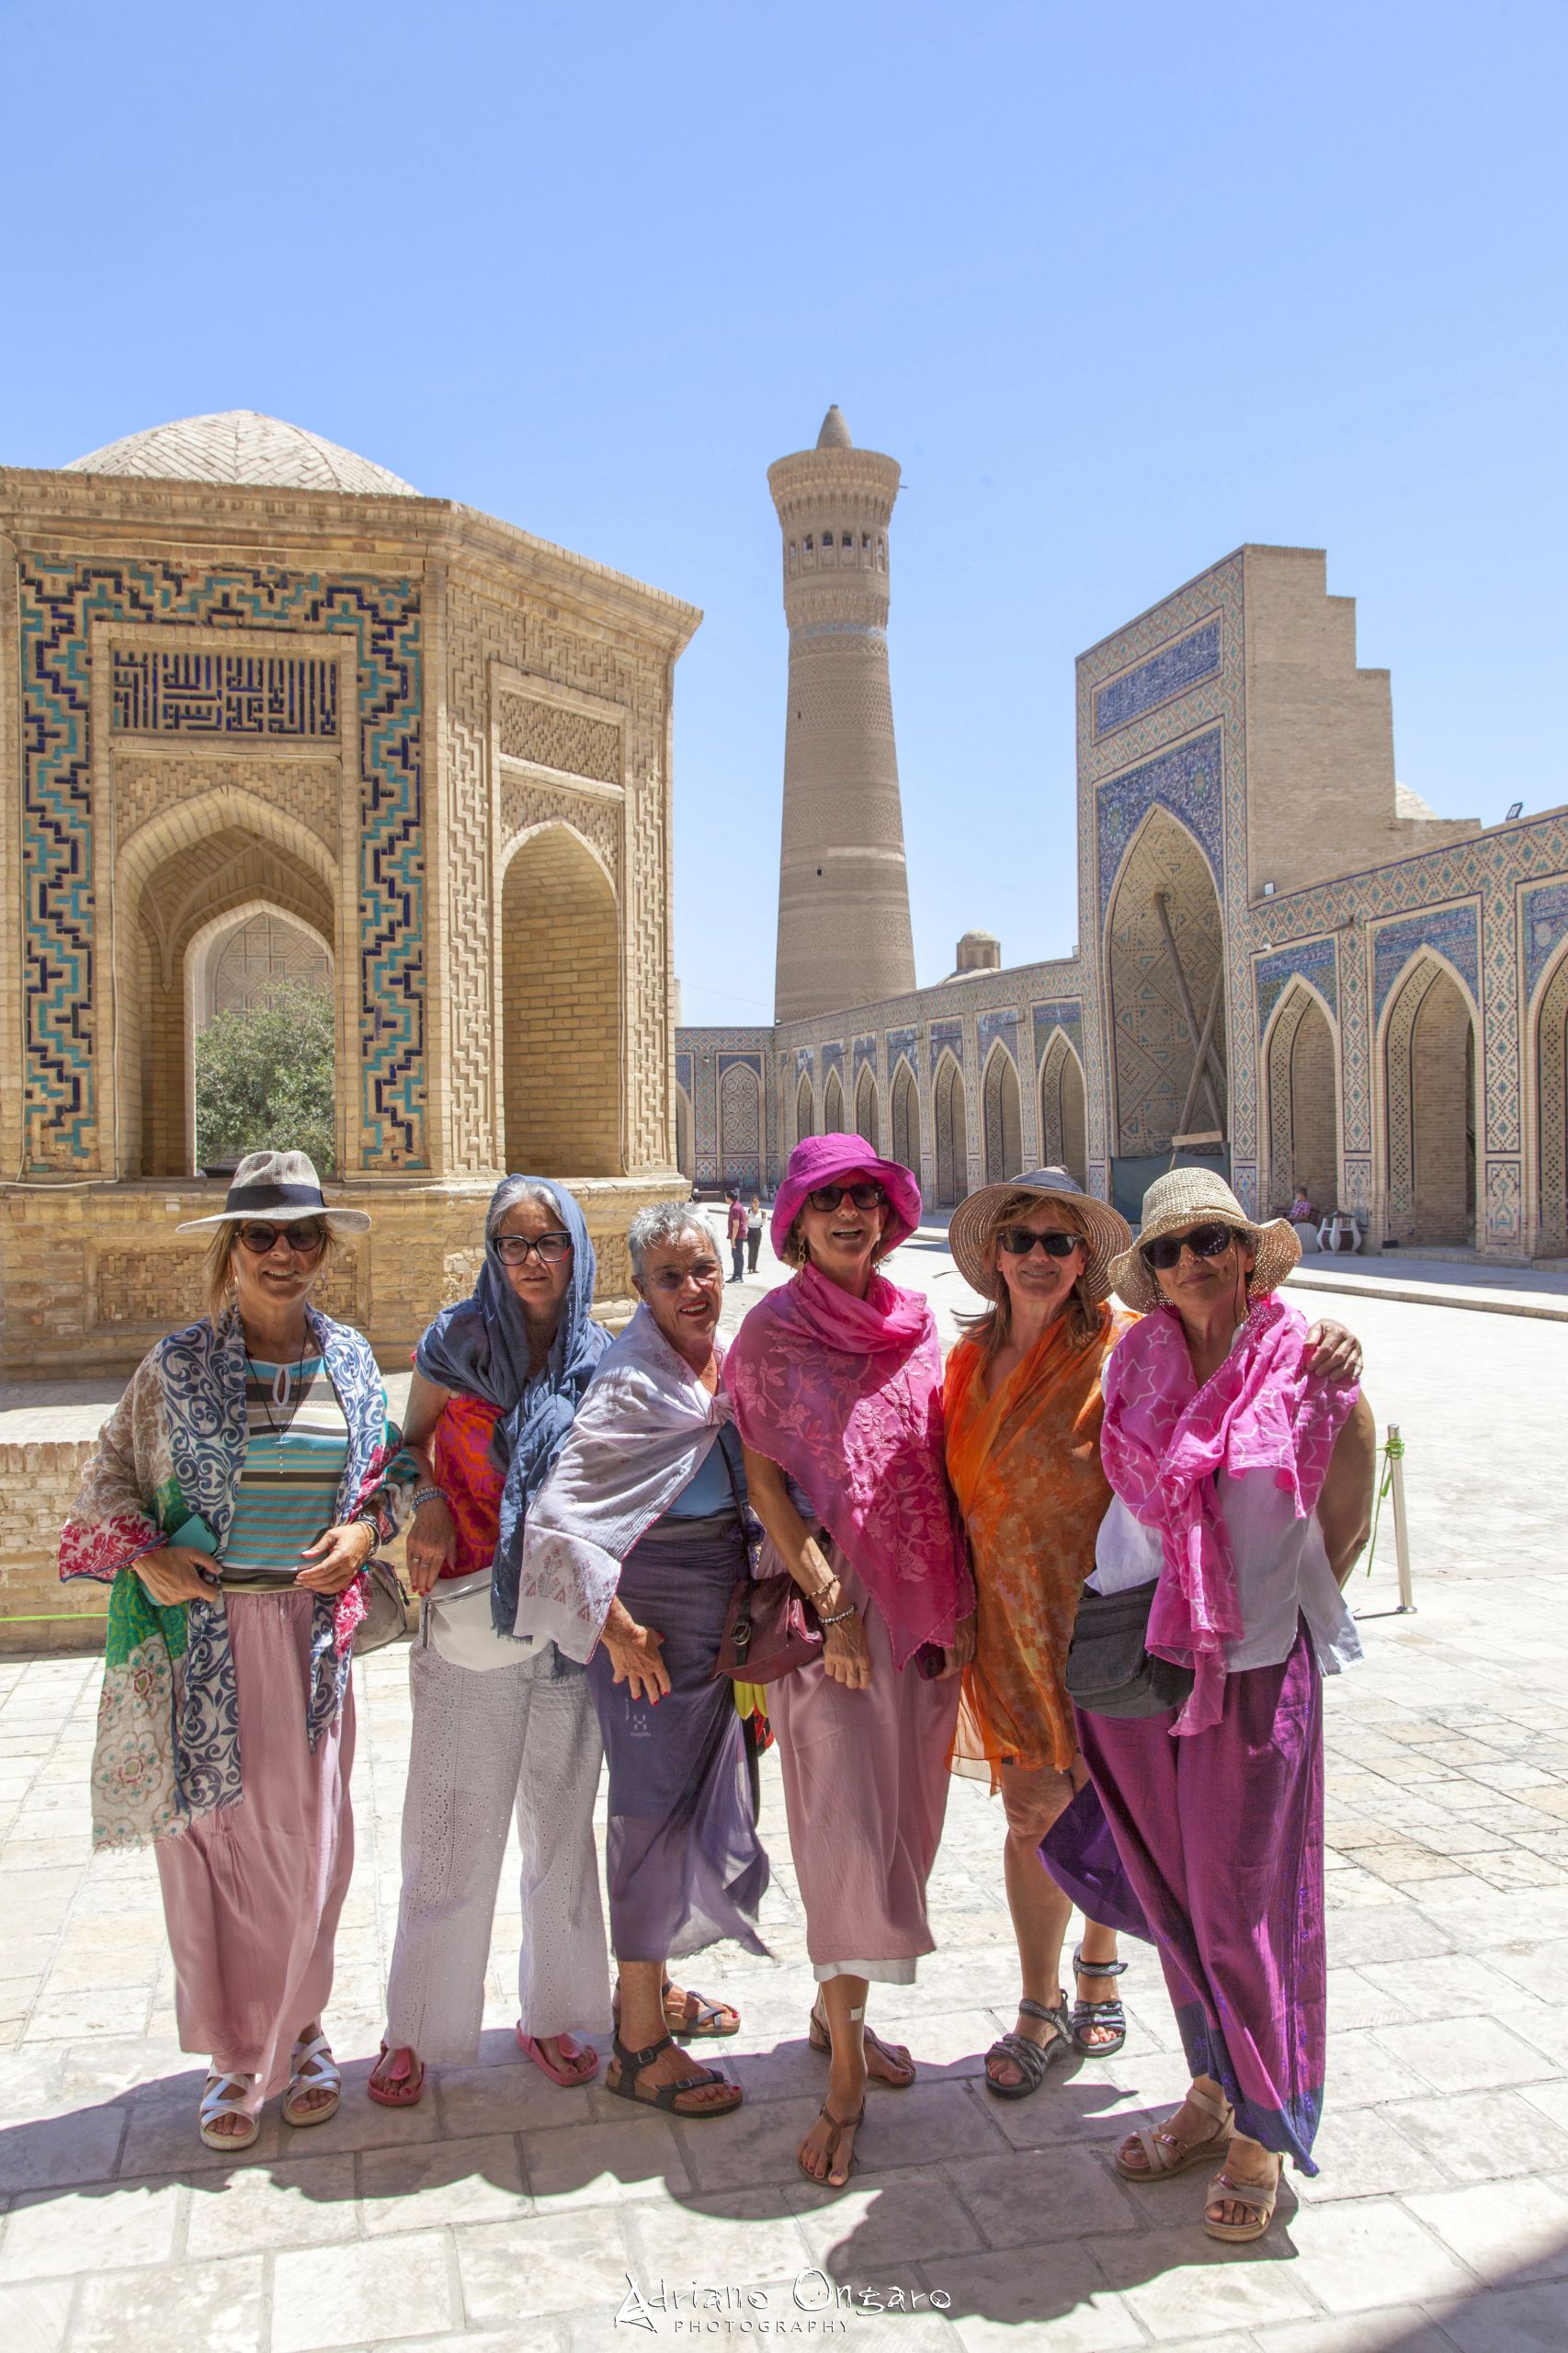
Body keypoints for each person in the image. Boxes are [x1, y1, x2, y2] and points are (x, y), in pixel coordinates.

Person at [59, 1151, 411, 2152]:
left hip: (309, 1643)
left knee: (309, 1846)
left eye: (302, 1235)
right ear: (231, 1249)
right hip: (203, 1642)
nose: (282, 1253)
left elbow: (393, 1475)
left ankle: (300, 2030)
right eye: (261, 1235)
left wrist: (365, 1533)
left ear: (324, 1249)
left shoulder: (350, 1360)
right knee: (210, 1853)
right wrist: (147, 1555)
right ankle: (230, 2051)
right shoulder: (177, 1366)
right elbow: (106, 1478)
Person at [1074, 1170, 1374, 2243]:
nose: (1191, 1262)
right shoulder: (1132, 1366)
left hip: (1249, 1673)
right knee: (1176, 1901)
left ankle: (1261, 2128)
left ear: (1245, 1254)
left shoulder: (1308, 1365)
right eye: (1168, 1250)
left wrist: (1257, 1612)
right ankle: (1210, 2089)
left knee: (1245, 1905)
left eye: (1210, 1240)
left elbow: (1344, 1515)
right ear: (1150, 1275)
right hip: (1139, 1669)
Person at [725, 1133, 975, 2190]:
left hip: (921, 1609)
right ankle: (842, 2085)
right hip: (831, 1612)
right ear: (793, 1221)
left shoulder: (915, 1324)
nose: (849, 1216)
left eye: (865, 1199)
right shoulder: (771, 1334)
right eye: (828, 1200)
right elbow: (766, 1486)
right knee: (842, 1837)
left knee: (905, 1829)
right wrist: (830, 1605)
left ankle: (844, 2016)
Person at [514, 1201, 769, 2119]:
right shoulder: (631, 1382)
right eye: (670, 1277)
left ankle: (652, 1990)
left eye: (703, 1269)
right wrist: (614, 1625)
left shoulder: (719, 1360)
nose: (693, 1288)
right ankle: (637, 2045)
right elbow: (558, 1518)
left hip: (715, 1612)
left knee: (688, 1802)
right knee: (650, 1814)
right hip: (651, 1624)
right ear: (638, 1289)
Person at [371, 1176, 612, 2106]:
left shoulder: (601, 1359)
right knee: (449, 1828)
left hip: (568, 1626)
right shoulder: (457, 1342)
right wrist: (429, 1499)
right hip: (472, 1614)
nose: (533, 1260)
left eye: (550, 1241)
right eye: (514, 1243)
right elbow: (405, 1446)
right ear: (491, 1252)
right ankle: (417, 2026)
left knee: (560, 1829)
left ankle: (550, 2012)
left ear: (577, 1248)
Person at [942, 1168, 1139, 2096]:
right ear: (994, 1255)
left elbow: (1226, 1359)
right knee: (1031, 1813)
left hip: (1100, 1626)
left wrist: (1313, 1342)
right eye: (1020, 1240)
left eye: (1059, 1243)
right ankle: (1038, 2000)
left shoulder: (1125, 1350)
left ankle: (1099, 1962)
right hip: (1004, 1630)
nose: (1037, 1257)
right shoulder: (964, 1363)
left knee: (1107, 1805)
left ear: (1083, 1259)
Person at [726, 1188, 748, 1283]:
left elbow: (736, 1225)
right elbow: (746, 1217)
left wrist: (733, 1239)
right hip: (739, 1234)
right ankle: (735, 1275)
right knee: (735, 1256)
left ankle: (739, 1276)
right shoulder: (738, 1205)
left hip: (737, 1236)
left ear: (729, 1198)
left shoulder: (734, 1208)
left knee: (738, 1256)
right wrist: (744, 1228)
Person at [746, 1192, 764, 1275]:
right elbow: (745, 1224)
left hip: (758, 1231)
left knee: (756, 1250)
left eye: (757, 1202)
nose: (756, 1203)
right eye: (754, 1202)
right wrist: (745, 1234)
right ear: (751, 1203)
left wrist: (764, 1218)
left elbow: (763, 1224)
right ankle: (750, 1268)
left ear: (759, 1203)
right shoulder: (748, 1212)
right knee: (751, 1249)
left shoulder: (762, 1212)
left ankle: (754, 1267)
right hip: (750, 1232)